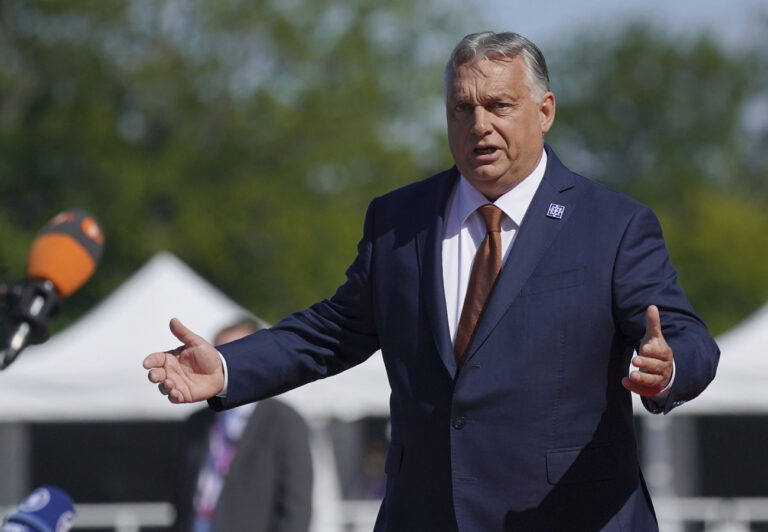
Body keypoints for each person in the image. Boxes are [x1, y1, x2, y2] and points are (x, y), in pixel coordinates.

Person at [144, 31, 720, 531]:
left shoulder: (612, 224)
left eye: (499, 105)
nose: (480, 126)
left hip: (566, 517)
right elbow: (333, 331)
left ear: (544, 111)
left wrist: (668, 369)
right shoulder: (399, 221)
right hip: (425, 515)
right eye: (461, 109)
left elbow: (688, 337)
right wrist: (226, 367)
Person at [175, 320, 313, 532]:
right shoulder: (198, 421)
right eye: (220, 355)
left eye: (234, 356)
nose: (228, 365)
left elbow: (296, 505)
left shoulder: (284, 420)